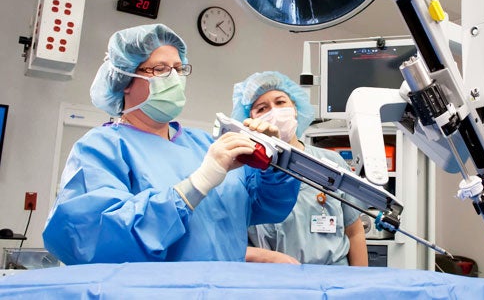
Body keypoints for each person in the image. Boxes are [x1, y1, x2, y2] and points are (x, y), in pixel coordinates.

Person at [42, 24, 300, 265]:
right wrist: (196, 185)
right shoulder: (102, 148)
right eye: (160, 69)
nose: (174, 78)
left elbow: (265, 208)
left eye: (179, 68)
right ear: (124, 82)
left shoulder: (203, 144)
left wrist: (274, 161)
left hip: (223, 289)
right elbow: (92, 237)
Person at [231, 71, 368, 266]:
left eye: (280, 103)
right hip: (277, 283)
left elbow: (354, 232)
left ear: (295, 108)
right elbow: (227, 243)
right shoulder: (245, 172)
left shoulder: (330, 161)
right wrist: (268, 257)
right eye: (262, 108)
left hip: (336, 281)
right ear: (248, 119)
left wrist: (359, 285)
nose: (274, 112)